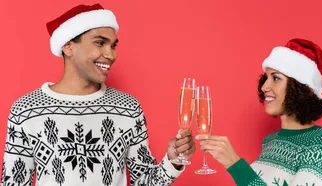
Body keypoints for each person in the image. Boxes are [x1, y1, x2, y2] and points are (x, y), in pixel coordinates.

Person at [1, 4, 195, 186]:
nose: (111, 55)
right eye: (100, 43)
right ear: (68, 47)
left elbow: (143, 181)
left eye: (113, 45)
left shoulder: (127, 108)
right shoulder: (26, 110)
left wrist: (173, 161)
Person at [197, 38, 322, 186]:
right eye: (266, 78)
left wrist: (235, 164)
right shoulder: (270, 141)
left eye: (275, 78)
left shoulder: (321, 144)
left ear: (299, 87)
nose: (264, 87)